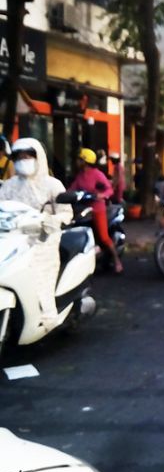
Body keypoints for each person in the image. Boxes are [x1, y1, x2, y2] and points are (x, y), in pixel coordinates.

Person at [0, 138, 72, 329]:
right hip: (12, 238)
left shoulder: (53, 185)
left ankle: (47, 315)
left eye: (27, 156)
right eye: (19, 157)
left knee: (41, 276)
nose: (23, 160)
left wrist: (51, 221)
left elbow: (66, 213)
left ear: (38, 157)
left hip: (44, 239)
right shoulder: (8, 186)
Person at [70, 148, 124, 274]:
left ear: (85, 161)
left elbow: (109, 190)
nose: (77, 162)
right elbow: (72, 189)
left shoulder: (97, 174)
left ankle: (117, 261)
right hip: (83, 209)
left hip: (97, 209)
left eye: (80, 159)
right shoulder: (80, 176)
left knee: (104, 237)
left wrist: (101, 195)